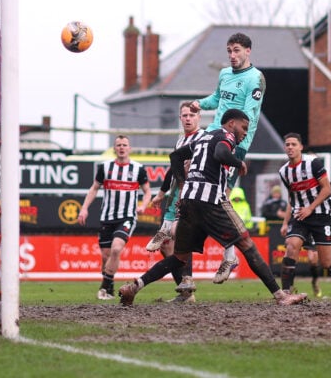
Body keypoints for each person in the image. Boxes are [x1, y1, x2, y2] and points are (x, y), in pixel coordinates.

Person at [117, 109, 306, 307]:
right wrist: (237, 162)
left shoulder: (202, 138)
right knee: (248, 245)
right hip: (211, 201)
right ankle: (281, 296)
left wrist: (183, 185)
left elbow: (175, 157)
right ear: (232, 123)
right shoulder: (226, 135)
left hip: (189, 201)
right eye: (244, 128)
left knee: (179, 257)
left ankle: (134, 287)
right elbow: (221, 152)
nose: (244, 133)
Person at [188, 32, 265, 284]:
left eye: (237, 51)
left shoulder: (255, 78)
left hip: (234, 142)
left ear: (248, 51)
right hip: (214, 135)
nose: (232, 56)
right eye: (229, 51)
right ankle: (169, 222)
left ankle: (230, 253)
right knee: (187, 167)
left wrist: (230, 136)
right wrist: (200, 103)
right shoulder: (224, 74)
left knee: (219, 198)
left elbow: (248, 114)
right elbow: (217, 100)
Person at [78, 135, 151, 300]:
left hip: (127, 216)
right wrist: (84, 209)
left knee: (116, 248)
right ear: (114, 148)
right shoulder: (105, 167)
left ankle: (104, 286)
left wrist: (143, 206)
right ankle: (109, 286)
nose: (122, 148)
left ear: (129, 148)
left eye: (125, 145)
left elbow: (147, 191)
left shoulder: (138, 169)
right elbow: (94, 188)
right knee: (105, 256)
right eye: (118, 145)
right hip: (107, 217)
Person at [145, 101, 203, 303]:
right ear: (180, 118)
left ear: (199, 118)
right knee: (167, 247)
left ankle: (188, 279)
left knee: (180, 235)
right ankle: (186, 294)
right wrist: (161, 193)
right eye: (185, 115)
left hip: (197, 195)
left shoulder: (204, 138)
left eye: (192, 115)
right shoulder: (180, 141)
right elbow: (173, 168)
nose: (188, 118)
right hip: (176, 196)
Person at [277, 133, 331, 295]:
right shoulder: (283, 171)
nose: (290, 147)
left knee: (324, 262)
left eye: (294, 144)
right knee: (291, 246)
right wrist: (286, 222)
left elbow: (327, 189)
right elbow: (291, 198)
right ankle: (286, 292)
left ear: (301, 147)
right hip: (300, 216)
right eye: (287, 144)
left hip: (321, 215)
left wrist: (310, 207)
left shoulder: (313, 163)